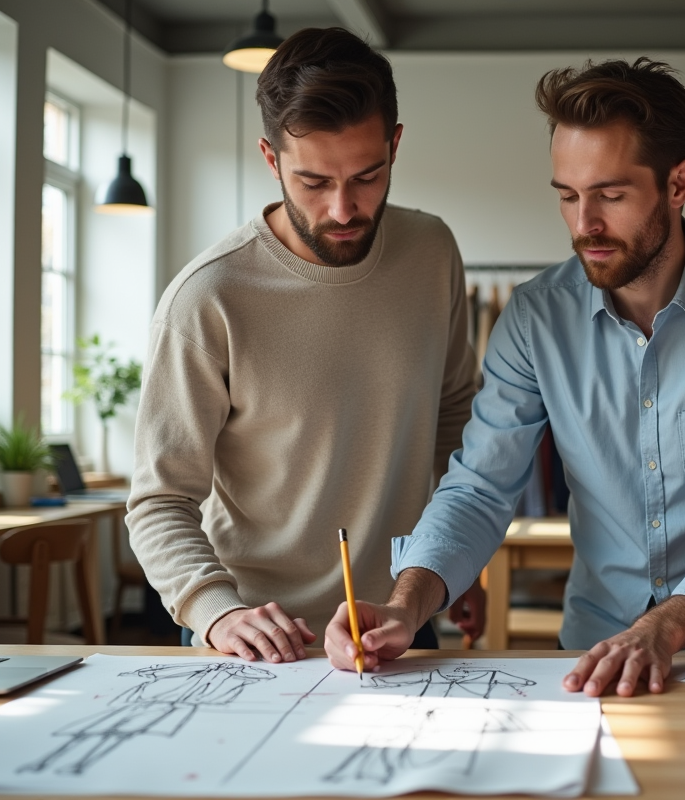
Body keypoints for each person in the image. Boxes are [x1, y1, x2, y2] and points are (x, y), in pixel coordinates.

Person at [324, 57, 685, 696]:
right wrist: (406, 604)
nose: (583, 224)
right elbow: (480, 488)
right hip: (589, 658)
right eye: (567, 195)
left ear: (679, 184)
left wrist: (666, 627)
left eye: (611, 196)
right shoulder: (536, 318)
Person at [127, 27, 484, 664]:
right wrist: (217, 611)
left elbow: (455, 420)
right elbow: (160, 499)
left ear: (395, 145)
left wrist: (451, 565)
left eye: (368, 177)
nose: (343, 209)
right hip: (258, 639)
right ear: (271, 159)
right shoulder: (209, 298)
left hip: (398, 618)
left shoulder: (433, 252)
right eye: (313, 182)